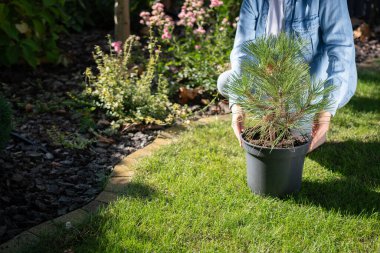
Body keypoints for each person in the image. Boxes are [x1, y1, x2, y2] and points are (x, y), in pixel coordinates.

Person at [217, 0, 357, 152]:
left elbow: (341, 50)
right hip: (273, 85)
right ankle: (277, 117)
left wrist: (325, 112)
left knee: (296, 142)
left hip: (309, 89)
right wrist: (238, 105)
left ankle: (303, 119)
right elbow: (242, 51)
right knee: (226, 82)